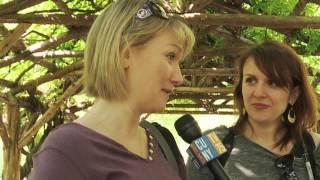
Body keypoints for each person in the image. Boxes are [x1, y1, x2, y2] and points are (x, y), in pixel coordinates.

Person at [28, 0, 195, 179]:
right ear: (125, 54)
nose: (179, 78)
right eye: (170, 56)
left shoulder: (163, 142)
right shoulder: (68, 150)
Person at [187, 40, 320, 180]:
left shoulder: (313, 147)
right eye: (250, 80)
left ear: (293, 94)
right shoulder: (208, 143)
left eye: (273, 83)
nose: (258, 93)